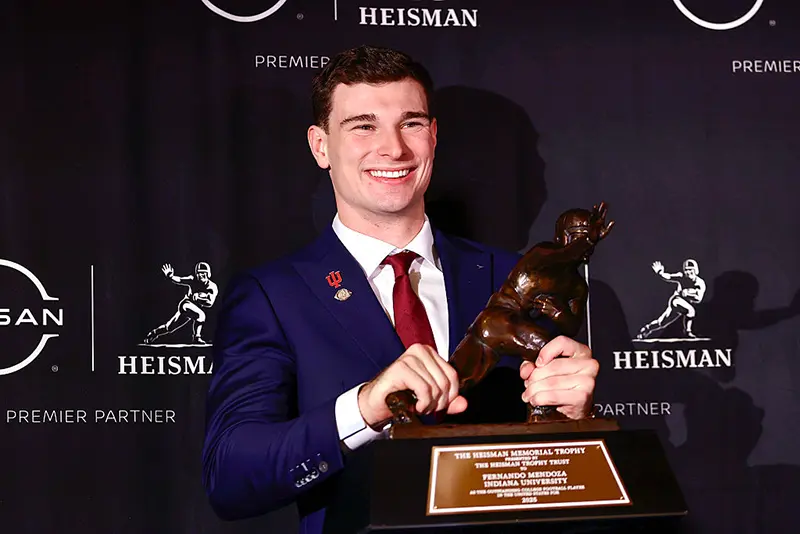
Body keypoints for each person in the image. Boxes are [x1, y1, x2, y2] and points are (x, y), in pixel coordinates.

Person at [202, 45, 600, 533]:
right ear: (320, 146)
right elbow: (231, 475)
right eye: (363, 126)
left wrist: (575, 421)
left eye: (411, 123)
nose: (393, 148)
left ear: (432, 137)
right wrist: (365, 407)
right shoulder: (271, 296)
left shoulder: (513, 276)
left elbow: (557, 476)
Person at [636, 259, 706, 339]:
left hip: (684, 304)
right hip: (676, 301)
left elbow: (698, 299)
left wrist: (689, 294)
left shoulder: (700, 283)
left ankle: (647, 329)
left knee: (661, 323)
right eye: (686, 270)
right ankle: (687, 331)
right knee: (691, 310)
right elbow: (669, 276)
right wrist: (660, 273)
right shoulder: (681, 277)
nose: (688, 272)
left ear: (695, 270)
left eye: (690, 269)